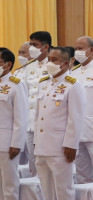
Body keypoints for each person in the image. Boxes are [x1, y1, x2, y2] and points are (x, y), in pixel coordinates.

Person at [35, 47, 85, 200]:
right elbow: (39, 116)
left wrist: (71, 144)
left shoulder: (73, 85)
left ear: (66, 63)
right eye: (49, 58)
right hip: (42, 144)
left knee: (63, 188)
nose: (50, 62)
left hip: (60, 145)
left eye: (54, 59)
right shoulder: (43, 83)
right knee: (48, 188)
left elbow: (75, 118)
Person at [0, 48, 28, 200]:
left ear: (8, 64)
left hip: (6, 140)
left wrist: (16, 143)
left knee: (9, 182)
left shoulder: (16, 84)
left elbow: (21, 117)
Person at [71, 36, 93, 184]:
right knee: (81, 175)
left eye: (80, 49)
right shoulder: (74, 72)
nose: (77, 52)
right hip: (77, 130)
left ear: (91, 50)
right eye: (76, 49)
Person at [24, 31, 51, 177]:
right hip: (30, 122)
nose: (31, 48)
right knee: (32, 165)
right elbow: (27, 94)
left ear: (45, 47)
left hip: (46, 124)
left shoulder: (54, 65)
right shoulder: (29, 66)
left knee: (46, 165)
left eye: (35, 45)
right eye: (30, 44)